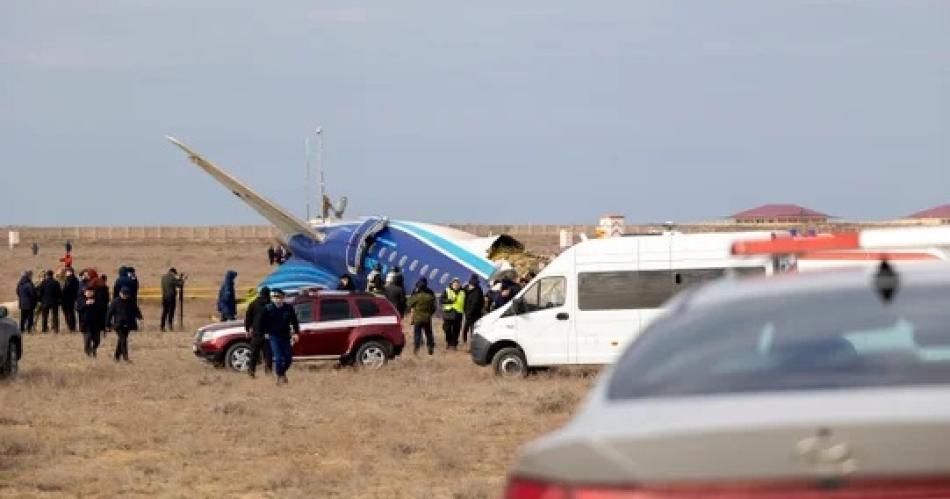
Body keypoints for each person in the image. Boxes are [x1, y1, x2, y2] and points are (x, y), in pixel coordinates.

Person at [261, 288, 300, 385]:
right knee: (278, 358)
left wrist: (296, 333)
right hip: (274, 336)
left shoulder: (288, 308)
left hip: (285, 336)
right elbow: (262, 322)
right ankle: (280, 376)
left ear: (283, 297)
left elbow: (294, 321)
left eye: (278, 297)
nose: (276, 299)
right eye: (274, 297)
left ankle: (281, 373)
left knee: (288, 359)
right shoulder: (268, 308)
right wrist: (265, 332)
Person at [107, 287, 142, 362]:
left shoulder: (130, 301)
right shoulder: (115, 302)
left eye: (126, 295)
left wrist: (140, 317)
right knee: (123, 340)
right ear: (120, 293)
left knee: (122, 340)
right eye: (123, 294)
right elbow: (109, 314)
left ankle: (116, 356)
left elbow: (136, 309)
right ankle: (125, 357)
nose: (125, 296)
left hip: (128, 324)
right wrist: (107, 324)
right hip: (118, 324)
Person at [244, 286, 272, 378]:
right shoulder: (270, 304)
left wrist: (247, 329)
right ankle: (268, 372)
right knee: (268, 355)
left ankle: (251, 372)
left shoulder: (253, 304)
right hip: (267, 334)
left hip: (256, 333)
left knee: (254, 354)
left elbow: (248, 318)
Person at [406, 278, 436, 355]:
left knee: (417, 334)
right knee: (428, 333)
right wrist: (430, 313)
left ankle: (416, 348)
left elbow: (409, 304)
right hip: (427, 318)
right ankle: (430, 347)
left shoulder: (416, 295)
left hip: (417, 318)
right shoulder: (430, 295)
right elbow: (434, 307)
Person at [78, 286, 107, 357]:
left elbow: (102, 313)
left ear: (93, 292)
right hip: (85, 324)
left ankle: (94, 349)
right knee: (87, 339)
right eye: (87, 292)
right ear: (85, 293)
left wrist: (104, 327)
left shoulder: (98, 300)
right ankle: (88, 352)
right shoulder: (81, 300)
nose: (89, 293)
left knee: (97, 340)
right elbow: (78, 309)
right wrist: (86, 304)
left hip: (96, 324)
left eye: (91, 292)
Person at [440, 278, 465, 350]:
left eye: (458, 284)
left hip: (458, 314)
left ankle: (454, 345)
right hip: (448, 313)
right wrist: (449, 301)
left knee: (456, 330)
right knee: (447, 329)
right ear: (452, 284)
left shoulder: (463, 292)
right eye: (455, 284)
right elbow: (441, 300)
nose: (456, 285)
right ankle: (449, 342)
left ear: (460, 285)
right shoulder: (447, 290)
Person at [461, 275, 485, 346]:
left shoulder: (478, 291)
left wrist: (469, 313)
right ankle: (465, 342)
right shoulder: (466, 288)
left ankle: (472, 345)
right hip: (468, 313)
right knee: (466, 329)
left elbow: (476, 303)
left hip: (474, 314)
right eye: (471, 284)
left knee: (472, 330)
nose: (471, 286)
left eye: (473, 285)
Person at [61, 267, 79, 332]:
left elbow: (67, 289)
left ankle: (71, 327)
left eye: (67, 271)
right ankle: (70, 327)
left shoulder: (72, 280)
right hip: (68, 299)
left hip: (69, 299)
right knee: (68, 313)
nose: (66, 273)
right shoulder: (69, 279)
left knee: (69, 313)